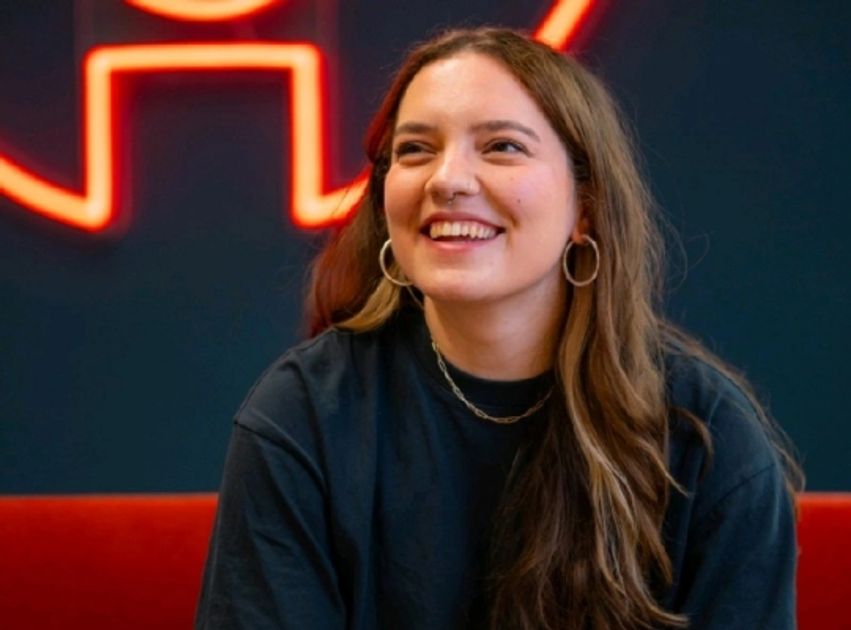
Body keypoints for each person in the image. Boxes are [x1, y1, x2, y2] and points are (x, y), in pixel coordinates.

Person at [196, 27, 802, 629]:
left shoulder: (706, 438)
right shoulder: (303, 416)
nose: (446, 180)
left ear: (586, 207)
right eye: (415, 150)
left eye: (502, 147)